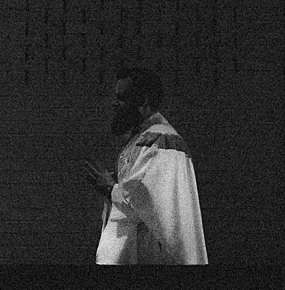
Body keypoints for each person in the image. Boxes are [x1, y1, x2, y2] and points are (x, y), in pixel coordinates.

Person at [84, 67, 207, 265]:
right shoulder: (144, 139)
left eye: (122, 97)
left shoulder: (161, 140)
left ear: (144, 101)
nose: (114, 103)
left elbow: (148, 198)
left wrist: (110, 188)